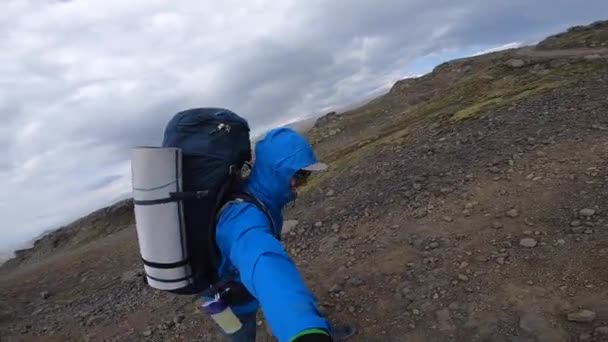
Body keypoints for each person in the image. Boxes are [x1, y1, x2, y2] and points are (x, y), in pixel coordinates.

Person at [211, 127, 354, 342]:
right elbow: (263, 261)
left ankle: (317, 323)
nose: (302, 183)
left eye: (307, 175)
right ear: (276, 170)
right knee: (241, 334)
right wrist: (304, 333)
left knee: (288, 293)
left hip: (243, 281)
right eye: (299, 174)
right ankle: (308, 325)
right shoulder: (244, 217)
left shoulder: (261, 196)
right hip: (232, 295)